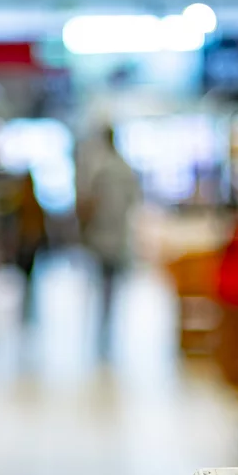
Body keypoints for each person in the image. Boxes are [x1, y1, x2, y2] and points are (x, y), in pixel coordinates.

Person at [76, 125, 140, 351]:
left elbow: (89, 202)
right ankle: (108, 319)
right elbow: (134, 201)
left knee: (102, 279)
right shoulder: (125, 169)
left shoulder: (101, 169)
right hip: (116, 233)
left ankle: (103, 320)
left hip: (102, 234)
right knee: (111, 282)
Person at [13, 171, 47, 324]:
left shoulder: (31, 204)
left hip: (29, 243)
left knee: (28, 275)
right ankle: (25, 306)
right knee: (25, 275)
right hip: (25, 243)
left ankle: (27, 307)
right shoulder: (22, 203)